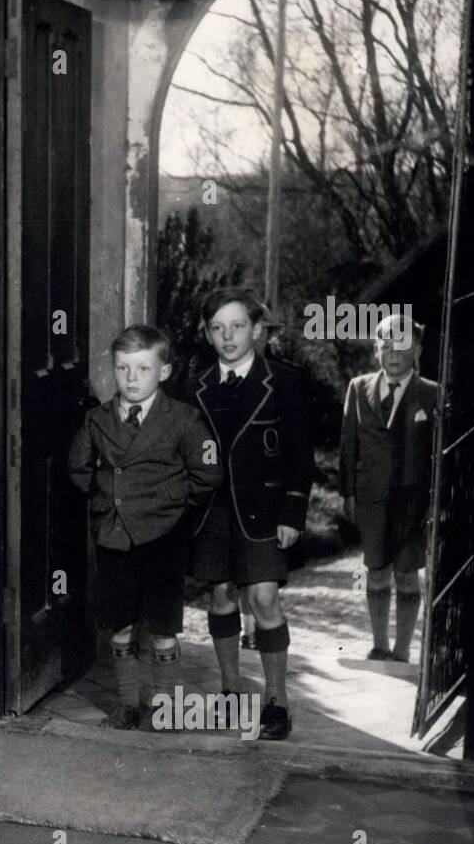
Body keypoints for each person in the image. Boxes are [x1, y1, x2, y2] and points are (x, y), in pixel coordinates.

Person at [68, 326, 221, 729]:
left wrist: (172, 507)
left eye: (143, 368)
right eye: (123, 368)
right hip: (114, 535)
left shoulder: (185, 420)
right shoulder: (96, 420)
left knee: (163, 627)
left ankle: (165, 706)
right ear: (113, 370)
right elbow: (78, 469)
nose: (132, 378)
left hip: (163, 537)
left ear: (164, 372)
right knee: (119, 625)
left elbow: (207, 472)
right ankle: (128, 705)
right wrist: (105, 503)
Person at [187, 287, 313, 740]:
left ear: (256, 330)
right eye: (217, 328)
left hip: (264, 511)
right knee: (220, 596)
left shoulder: (283, 381)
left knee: (263, 600)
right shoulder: (195, 386)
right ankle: (230, 691)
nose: (228, 336)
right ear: (207, 334)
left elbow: (301, 453)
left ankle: (276, 700)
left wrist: (293, 513)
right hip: (212, 514)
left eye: (237, 326)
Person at [339, 314, 437, 662]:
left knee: (408, 576)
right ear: (376, 350)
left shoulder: (430, 394)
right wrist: (348, 492)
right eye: (385, 345)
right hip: (372, 498)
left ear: (417, 349)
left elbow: (438, 455)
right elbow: (349, 444)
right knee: (376, 572)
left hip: (414, 502)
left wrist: (436, 503)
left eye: (402, 345)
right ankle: (379, 644)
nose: (393, 353)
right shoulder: (359, 387)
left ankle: (402, 648)